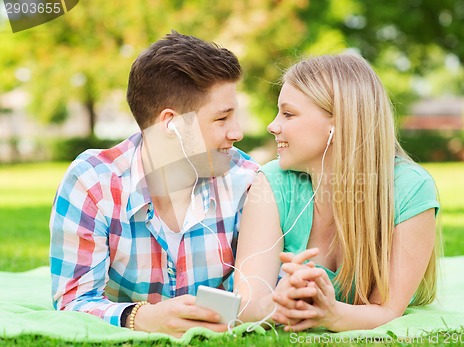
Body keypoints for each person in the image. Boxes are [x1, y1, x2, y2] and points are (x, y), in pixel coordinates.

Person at [49, 31, 259, 337]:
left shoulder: (246, 180)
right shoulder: (93, 183)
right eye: (222, 119)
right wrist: (143, 318)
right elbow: (73, 301)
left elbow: (265, 292)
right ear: (171, 125)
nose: (237, 132)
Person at [234, 53, 440, 332]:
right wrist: (280, 303)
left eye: (288, 113)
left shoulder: (409, 188)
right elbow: (247, 303)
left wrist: (329, 314)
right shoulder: (272, 182)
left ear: (337, 121)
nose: (273, 125)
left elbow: (388, 310)